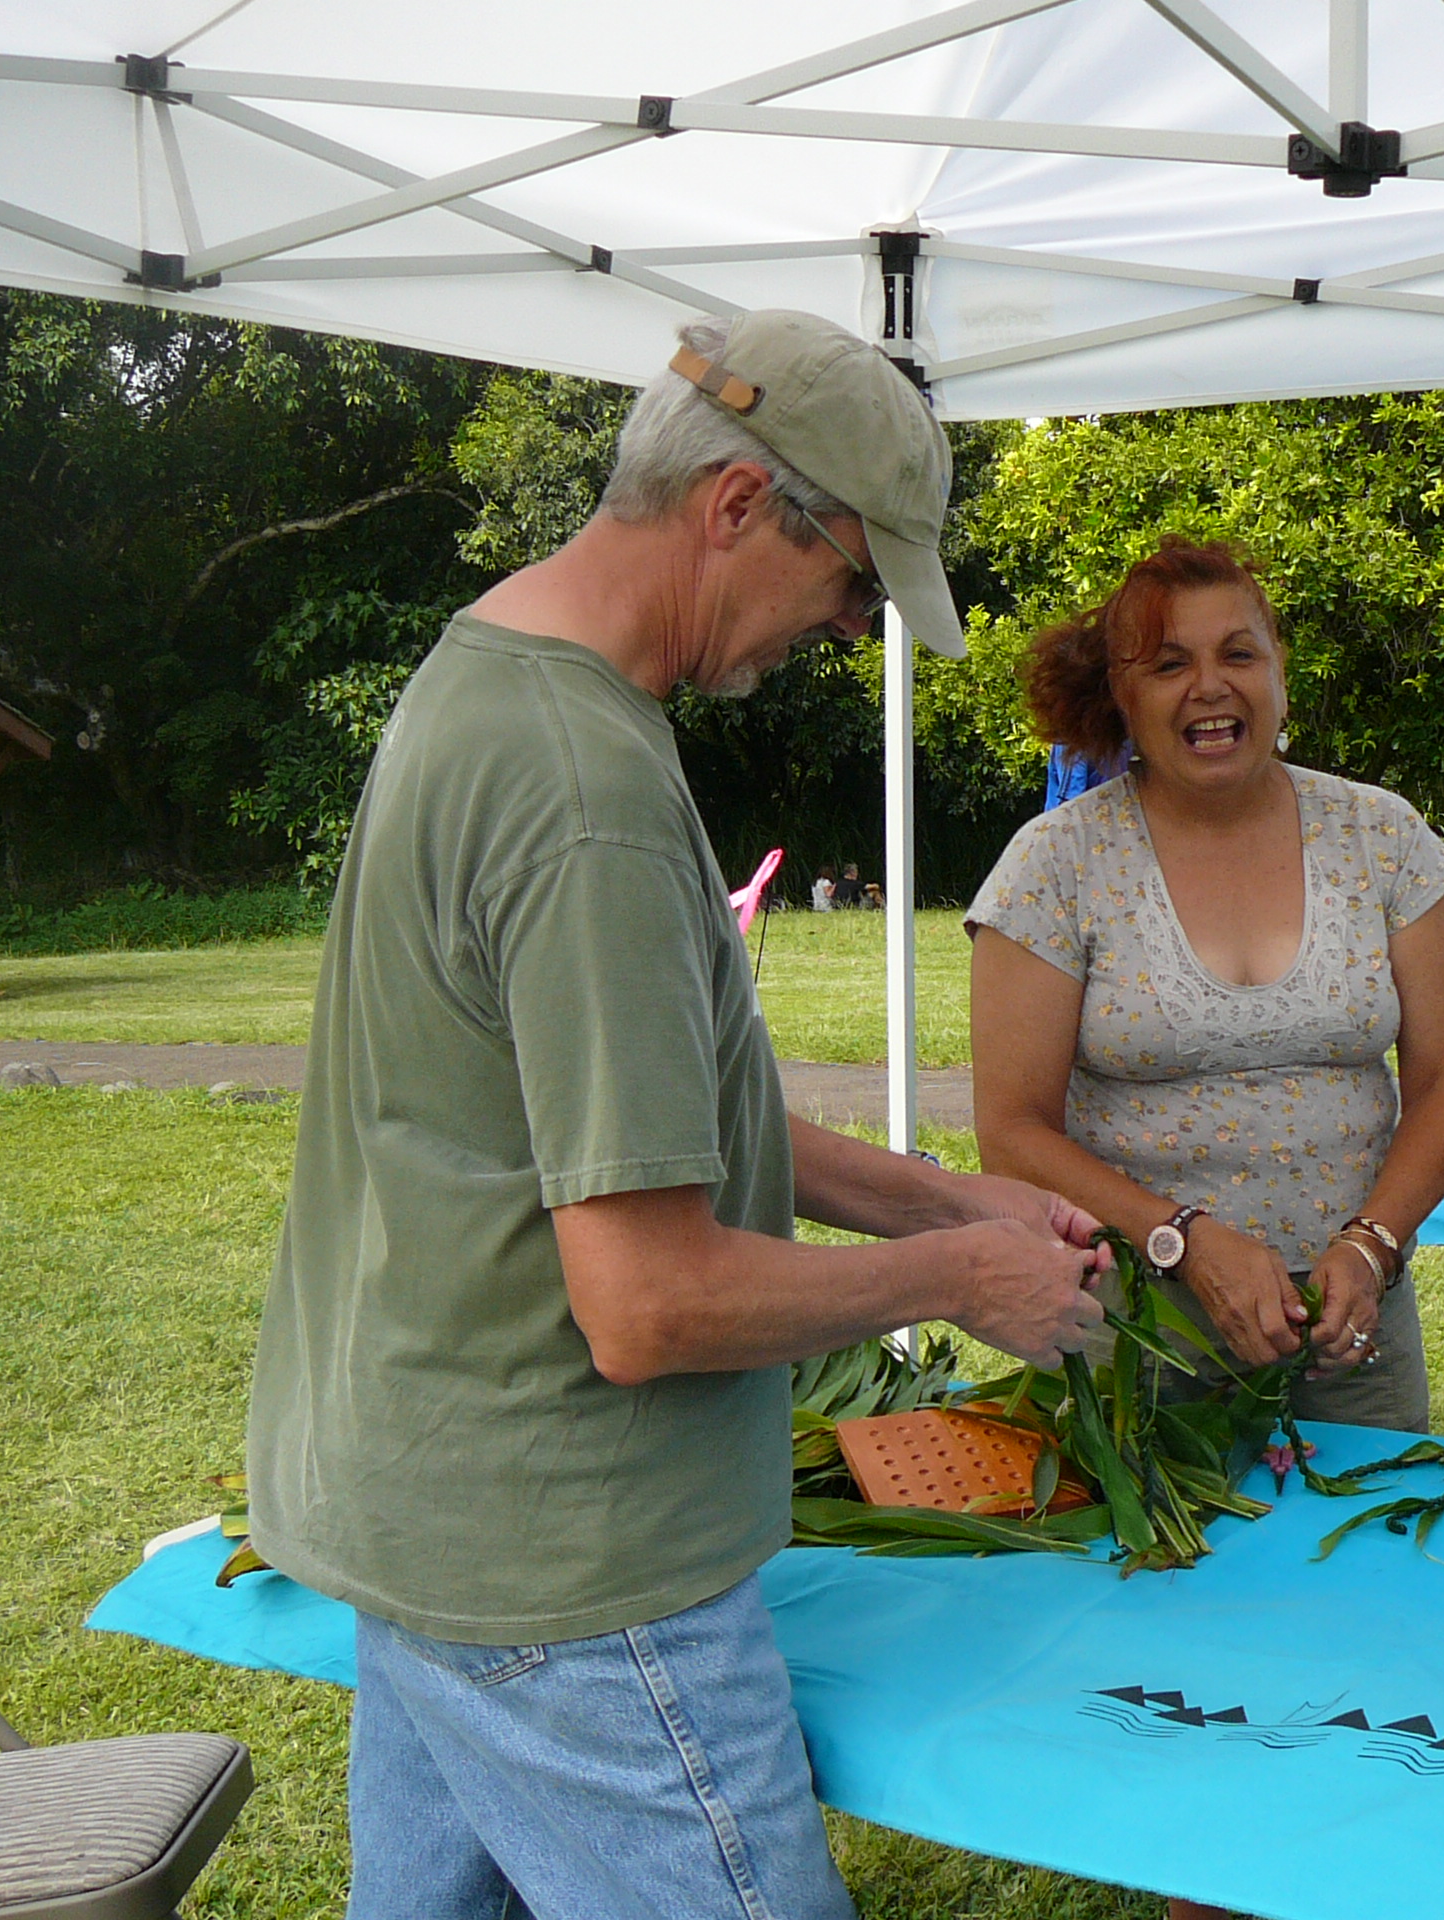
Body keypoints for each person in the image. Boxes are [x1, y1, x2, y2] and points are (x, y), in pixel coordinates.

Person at [244, 311, 1108, 1920]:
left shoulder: (486, 672)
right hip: (571, 1568)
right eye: (856, 584)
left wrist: (945, 1204)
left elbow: (631, 1128)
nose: (854, 629)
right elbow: (646, 1305)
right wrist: (965, 1286)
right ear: (732, 507)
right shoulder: (588, 791)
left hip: (427, 1513)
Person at [966, 536, 1444, 1437]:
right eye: (1170, 665)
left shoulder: (1382, 837)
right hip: (1128, 1336)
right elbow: (1009, 1130)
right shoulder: (1055, 864)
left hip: (1350, 1330)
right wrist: (1180, 1240)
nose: (1209, 686)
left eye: (1237, 653)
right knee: (1142, 1576)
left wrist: (1371, 1247)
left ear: (1280, 671)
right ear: (1123, 700)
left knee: (1361, 1568)